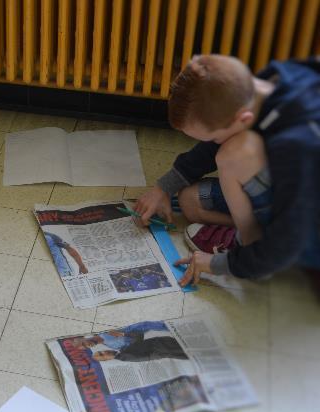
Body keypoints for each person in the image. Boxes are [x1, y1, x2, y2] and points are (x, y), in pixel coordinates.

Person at [135, 54, 320, 285]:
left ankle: (253, 249)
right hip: (289, 186)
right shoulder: (262, 84)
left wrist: (219, 264)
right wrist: (164, 188)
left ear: (244, 118)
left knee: (232, 153)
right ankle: (255, 242)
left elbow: (291, 239)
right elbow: (211, 146)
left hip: (309, 227)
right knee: (191, 200)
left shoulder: (300, 143)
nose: (213, 143)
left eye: (214, 137)